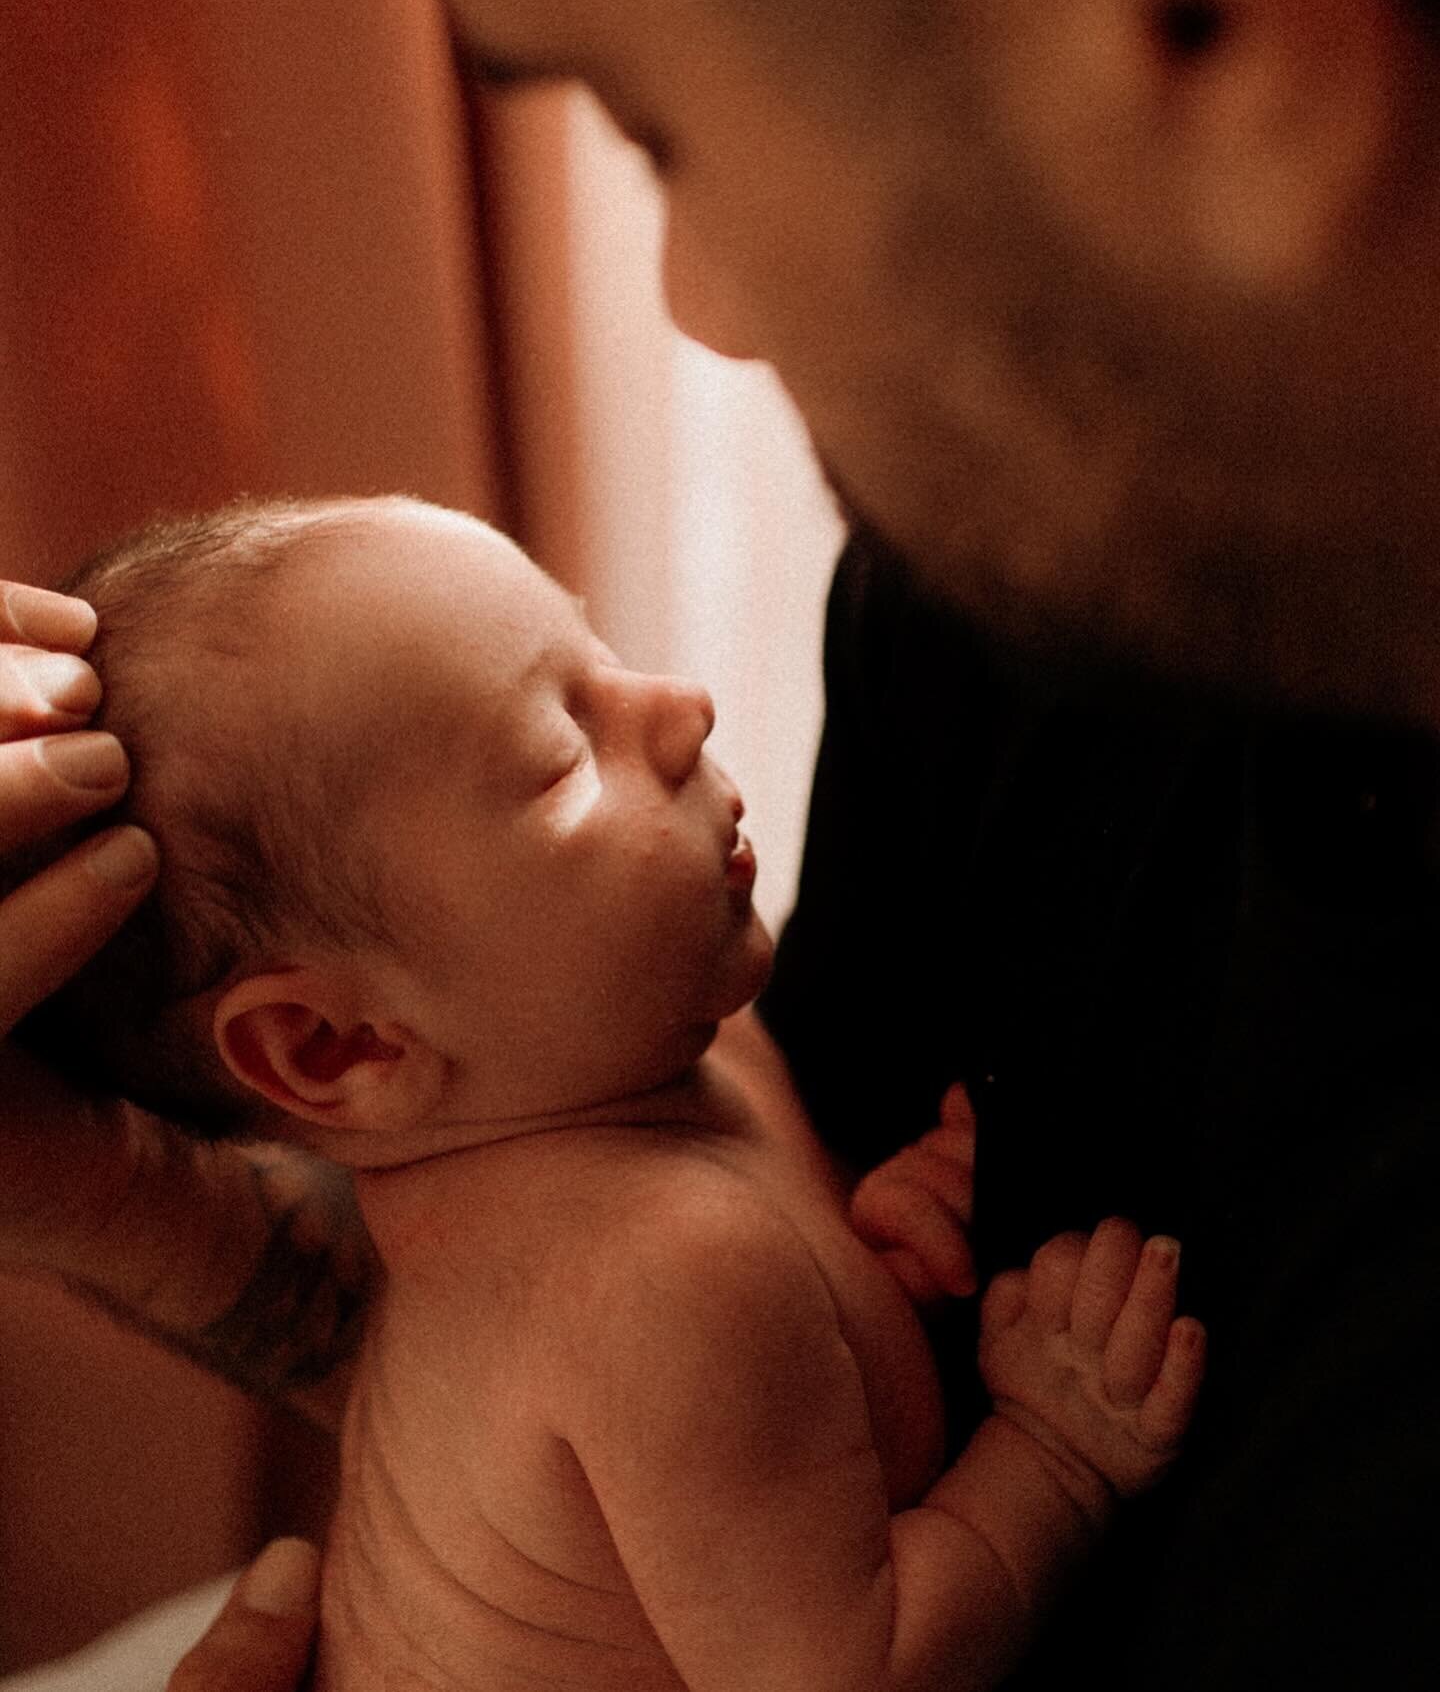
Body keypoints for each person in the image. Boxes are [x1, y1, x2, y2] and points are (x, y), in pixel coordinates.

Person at [3, 0, 1439, 1685]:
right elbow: (584, 1407)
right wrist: (76, 1179)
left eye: (657, 119)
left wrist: (1025, 1433)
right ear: (334, 1055)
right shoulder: (1007, 587)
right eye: (554, 748)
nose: (701, 300)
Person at [11, 493, 1202, 1691]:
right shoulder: (656, 1271)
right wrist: (1054, 1456)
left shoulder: (666, 1071)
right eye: (563, 753)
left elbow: (734, 1417)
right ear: (340, 1051)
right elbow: (847, 1672)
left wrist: (871, 1285)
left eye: (606, 658)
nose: (684, 710)